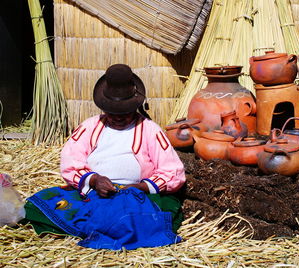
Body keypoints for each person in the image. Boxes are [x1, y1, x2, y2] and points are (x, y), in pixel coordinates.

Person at [24, 64, 186, 250]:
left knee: (126, 213)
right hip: (93, 191)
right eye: (112, 112)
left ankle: (106, 226)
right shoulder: (89, 127)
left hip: (133, 195)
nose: (117, 117)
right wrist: (94, 180)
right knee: (38, 204)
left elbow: (173, 171)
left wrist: (139, 187)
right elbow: (71, 161)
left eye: (124, 112)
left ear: (135, 106)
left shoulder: (150, 130)